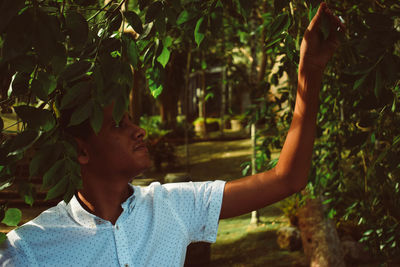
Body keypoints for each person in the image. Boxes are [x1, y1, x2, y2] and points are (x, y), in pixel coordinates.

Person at [0, 3, 344, 266]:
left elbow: (287, 179)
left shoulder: (172, 206)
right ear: (81, 151)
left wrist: (309, 73)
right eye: (119, 124)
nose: (139, 131)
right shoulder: (29, 249)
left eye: (133, 120)